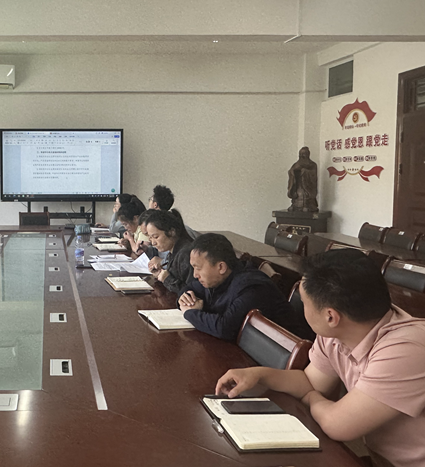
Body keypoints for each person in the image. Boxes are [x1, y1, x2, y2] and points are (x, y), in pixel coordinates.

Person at [215, 249, 425, 467]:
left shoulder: (406, 349)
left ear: (330, 316)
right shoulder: (336, 333)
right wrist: (259, 375)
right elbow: (310, 382)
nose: (302, 307)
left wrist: (312, 398)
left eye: (304, 302)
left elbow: (338, 424)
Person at [178, 233, 313, 341]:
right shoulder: (218, 277)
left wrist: (190, 312)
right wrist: (186, 299)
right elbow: (190, 288)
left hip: (287, 357)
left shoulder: (251, 288)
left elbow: (224, 328)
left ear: (221, 267)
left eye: (198, 268)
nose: (195, 275)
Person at [145, 210, 194, 294]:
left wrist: (167, 279)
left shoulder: (185, 253)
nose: (153, 243)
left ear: (171, 232)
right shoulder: (174, 250)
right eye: (150, 238)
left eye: (156, 237)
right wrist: (160, 274)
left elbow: (191, 292)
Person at [287, 146, 318, 212]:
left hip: (306, 187)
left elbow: (313, 175)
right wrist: (293, 172)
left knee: (305, 195)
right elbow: (290, 171)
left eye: (304, 154)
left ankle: (307, 205)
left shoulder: (312, 164)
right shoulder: (296, 164)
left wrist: (305, 171)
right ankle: (294, 205)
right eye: (300, 154)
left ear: (308, 154)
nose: (302, 155)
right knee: (296, 194)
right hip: (297, 185)